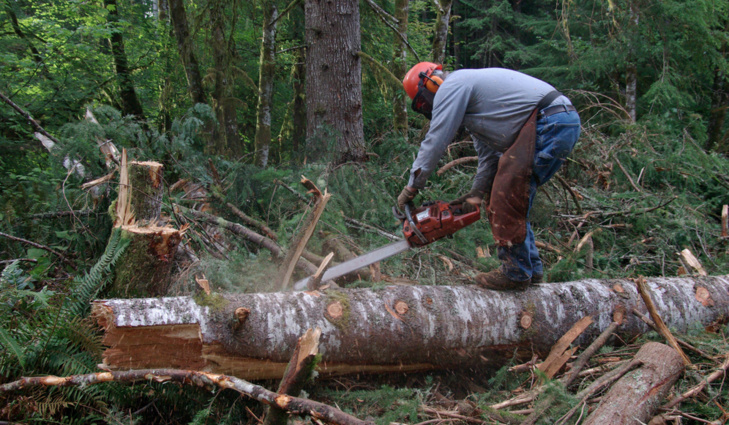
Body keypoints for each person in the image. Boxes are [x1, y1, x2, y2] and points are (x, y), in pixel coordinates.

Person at [396, 62, 581, 290]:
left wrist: (412, 187)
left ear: (432, 83)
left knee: (506, 196)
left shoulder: (452, 85)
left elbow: (436, 140)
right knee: (515, 197)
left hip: (547, 121)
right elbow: (489, 158)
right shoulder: (476, 109)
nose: (429, 107)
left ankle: (516, 272)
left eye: (425, 101)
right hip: (559, 120)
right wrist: (475, 195)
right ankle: (531, 269)